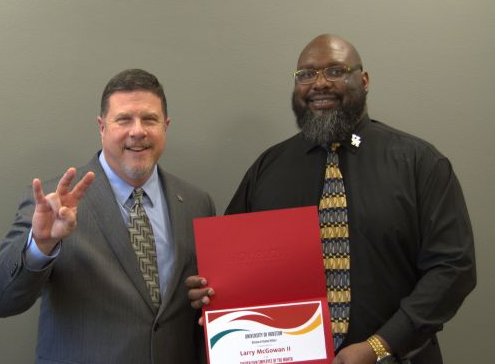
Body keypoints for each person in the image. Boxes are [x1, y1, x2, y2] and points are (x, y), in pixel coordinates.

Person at [186, 35, 476, 364]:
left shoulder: (419, 163)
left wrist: (379, 345)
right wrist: (211, 289)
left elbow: (453, 269)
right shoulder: (269, 168)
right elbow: (234, 264)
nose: (319, 84)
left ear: (363, 81)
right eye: (306, 74)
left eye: (336, 71)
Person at [0, 69, 215, 364]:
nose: (138, 131)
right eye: (124, 119)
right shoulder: (53, 203)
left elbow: (198, 301)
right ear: (102, 127)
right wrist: (39, 244)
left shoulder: (196, 202)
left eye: (150, 119)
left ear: (166, 126)